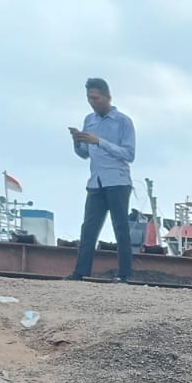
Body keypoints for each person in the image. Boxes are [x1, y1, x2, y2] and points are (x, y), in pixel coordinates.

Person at [65, 78, 136, 283]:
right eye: (89, 98)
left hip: (118, 181)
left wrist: (99, 141)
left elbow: (129, 154)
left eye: (95, 98)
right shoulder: (89, 120)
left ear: (107, 96)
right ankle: (80, 272)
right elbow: (85, 154)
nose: (92, 102)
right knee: (88, 228)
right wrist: (77, 141)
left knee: (120, 227)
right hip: (96, 182)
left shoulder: (123, 121)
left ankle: (124, 274)